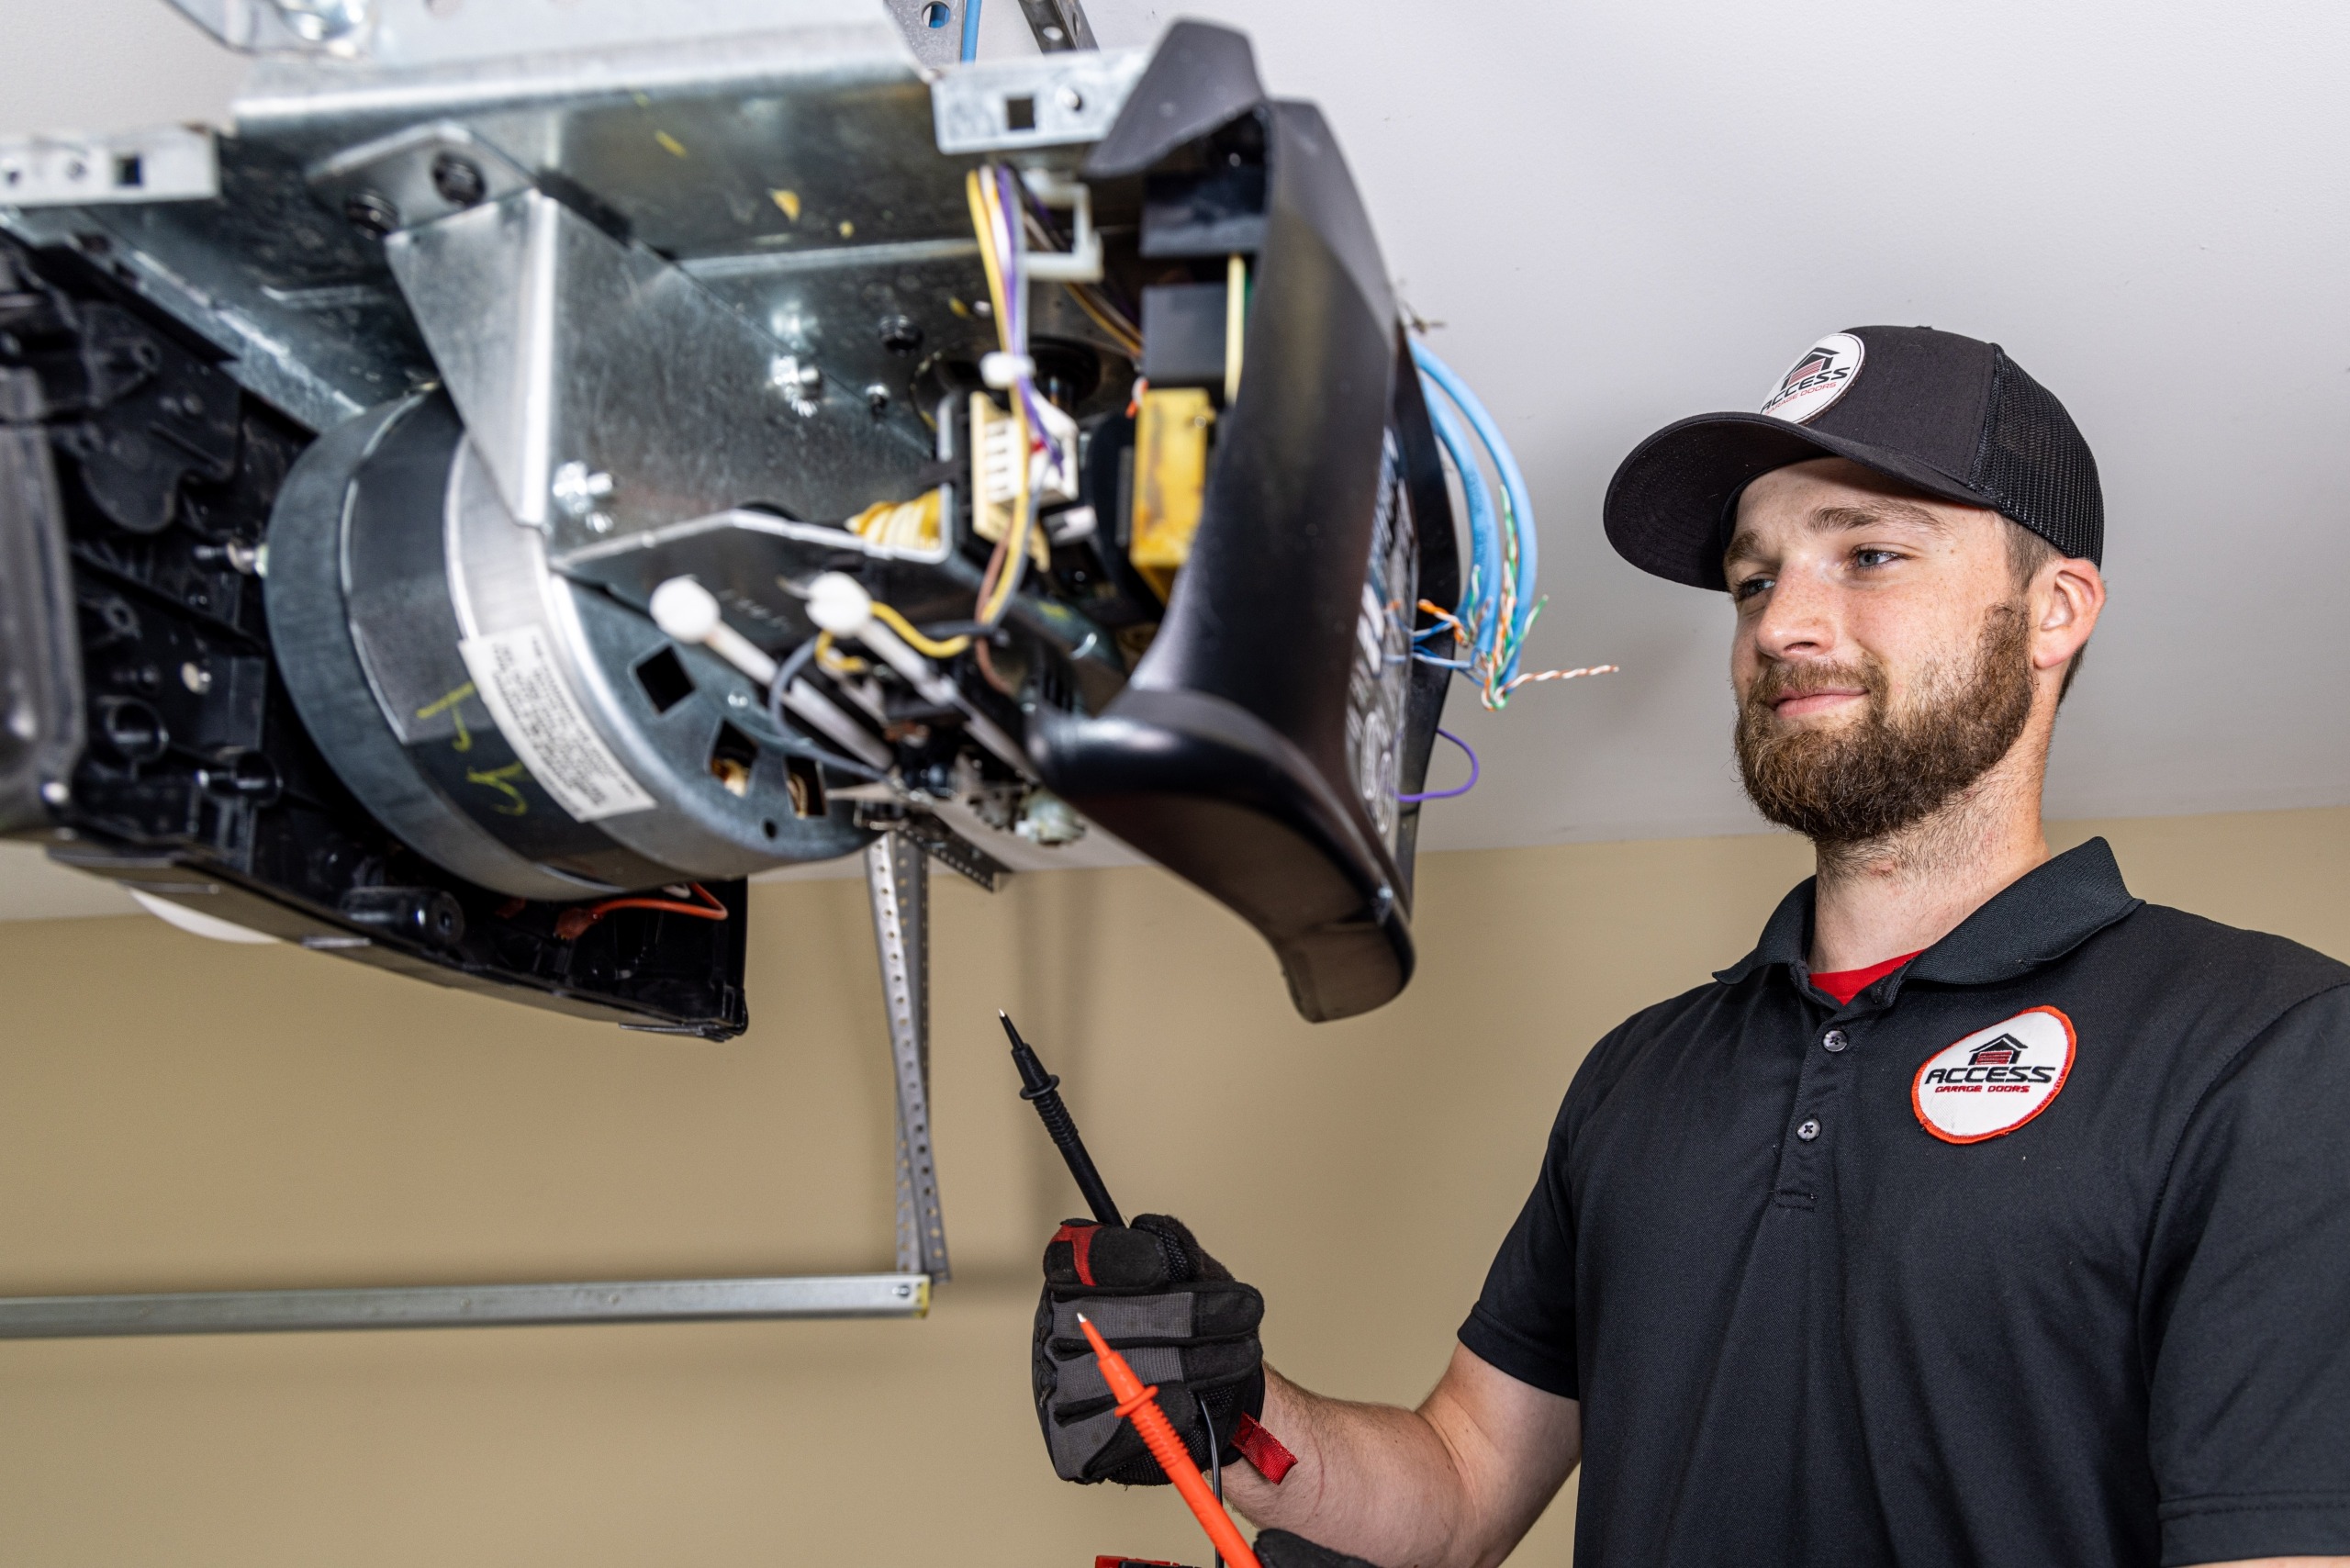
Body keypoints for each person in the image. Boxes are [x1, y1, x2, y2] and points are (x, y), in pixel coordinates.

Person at [1031, 326, 2350, 1568]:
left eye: (1869, 556)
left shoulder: (2265, 1045)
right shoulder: (1643, 1077)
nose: (1781, 625)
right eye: (1754, 578)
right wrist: (1225, 1406)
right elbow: (1458, 1489)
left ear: (2055, 609)